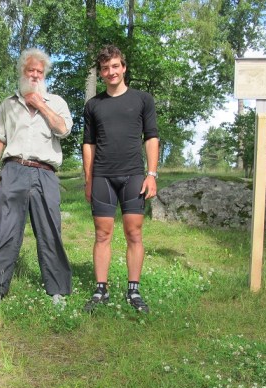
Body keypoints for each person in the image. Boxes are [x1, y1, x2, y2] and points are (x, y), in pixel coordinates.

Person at [0, 48, 73, 308]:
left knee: (50, 231)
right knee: (4, 230)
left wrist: (40, 104)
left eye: (40, 71)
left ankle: (57, 290)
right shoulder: (8, 104)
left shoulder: (57, 103)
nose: (35, 75)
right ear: (22, 71)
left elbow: (63, 130)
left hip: (45, 172)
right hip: (13, 170)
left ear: (45, 75)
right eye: (31, 70)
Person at [82, 45, 159, 314]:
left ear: (123, 68)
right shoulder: (93, 105)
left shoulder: (142, 100)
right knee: (102, 234)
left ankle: (133, 289)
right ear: (101, 73)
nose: (111, 72)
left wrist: (151, 174)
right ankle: (100, 289)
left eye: (115, 66)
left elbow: (151, 137)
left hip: (133, 175)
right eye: (105, 68)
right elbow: (88, 145)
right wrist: (89, 180)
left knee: (134, 233)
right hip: (102, 176)